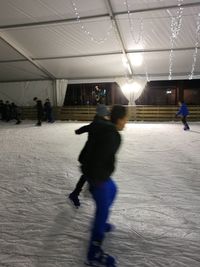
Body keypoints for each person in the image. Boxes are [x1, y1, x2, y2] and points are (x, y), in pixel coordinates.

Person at [81, 105, 128, 267]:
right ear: (120, 119)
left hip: (97, 173)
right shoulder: (112, 135)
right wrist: (96, 181)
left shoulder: (106, 128)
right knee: (102, 209)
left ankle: (100, 222)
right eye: (125, 119)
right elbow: (98, 158)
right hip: (97, 176)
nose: (126, 123)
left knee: (113, 191)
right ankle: (93, 254)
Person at [69, 104, 110, 208]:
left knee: (87, 175)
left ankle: (77, 193)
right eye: (106, 114)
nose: (108, 116)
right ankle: (76, 194)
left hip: (90, 156)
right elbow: (88, 128)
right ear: (102, 115)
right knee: (89, 175)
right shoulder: (100, 124)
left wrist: (78, 131)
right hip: (90, 157)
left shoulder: (97, 123)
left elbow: (85, 128)